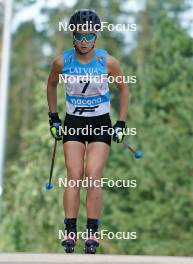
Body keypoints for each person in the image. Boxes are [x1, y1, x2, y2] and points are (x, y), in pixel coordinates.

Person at [47, 9, 129, 254]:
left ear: (96, 36)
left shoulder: (108, 62)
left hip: (100, 122)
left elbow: (124, 89)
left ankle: (92, 232)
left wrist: (121, 123)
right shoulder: (62, 62)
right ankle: (70, 231)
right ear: (73, 35)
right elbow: (51, 85)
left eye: (89, 36)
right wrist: (53, 118)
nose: (84, 41)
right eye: (79, 36)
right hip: (73, 122)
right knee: (74, 175)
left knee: (93, 175)